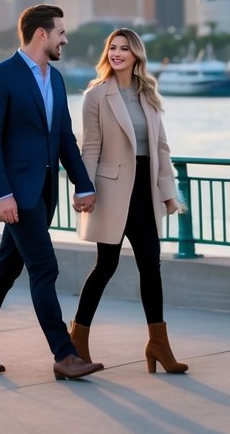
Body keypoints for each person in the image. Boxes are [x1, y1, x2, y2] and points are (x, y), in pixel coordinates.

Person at [0, 4, 105, 381]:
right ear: (42, 34)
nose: (65, 39)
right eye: (60, 33)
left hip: (43, 193)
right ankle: (64, 354)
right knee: (44, 268)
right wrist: (2, 193)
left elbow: (63, 138)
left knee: (6, 269)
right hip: (17, 195)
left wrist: (83, 183)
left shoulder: (54, 78)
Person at [70, 28, 190, 374]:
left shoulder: (148, 94)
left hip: (145, 188)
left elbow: (162, 148)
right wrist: (83, 188)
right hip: (111, 190)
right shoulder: (96, 95)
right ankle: (77, 340)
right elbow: (89, 146)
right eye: (112, 47)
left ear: (136, 55)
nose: (117, 53)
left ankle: (158, 344)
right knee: (105, 266)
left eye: (124, 48)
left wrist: (168, 192)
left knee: (151, 266)